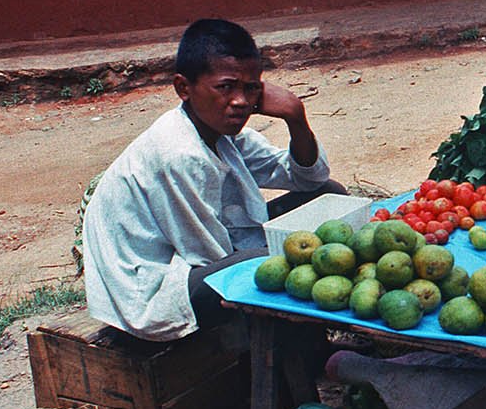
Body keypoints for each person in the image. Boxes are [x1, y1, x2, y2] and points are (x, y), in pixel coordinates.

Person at [82, 18, 341, 340]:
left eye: (251, 88)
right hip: (156, 288)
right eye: (225, 87)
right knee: (271, 259)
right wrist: (275, 251)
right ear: (183, 88)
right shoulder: (179, 154)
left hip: (209, 251)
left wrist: (295, 116)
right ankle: (290, 350)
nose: (241, 102)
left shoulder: (221, 130)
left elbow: (310, 179)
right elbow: (209, 254)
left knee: (329, 196)